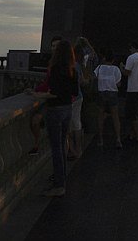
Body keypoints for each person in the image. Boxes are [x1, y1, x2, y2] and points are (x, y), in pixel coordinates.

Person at [41, 39, 79, 197]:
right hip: (67, 110)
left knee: (56, 148)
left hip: (55, 110)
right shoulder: (73, 70)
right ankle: (61, 180)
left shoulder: (56, 68)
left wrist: (36, 94)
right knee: (62, 146)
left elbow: (53, 93)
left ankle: (59, 185)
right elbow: (75, 92)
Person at [120, 42, 138, 143]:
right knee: (136, 114)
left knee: (131, 114)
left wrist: (122, 67)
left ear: (133, 48)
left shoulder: (131, 58)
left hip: (132, 89)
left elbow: (127, 73)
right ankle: (132, 135)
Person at [94, 49, 122, 148]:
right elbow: (118, 84)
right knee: (115, 116)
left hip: (101, 92)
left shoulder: (99, 67)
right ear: (113, 60)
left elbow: (95, 77)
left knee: (100, 116)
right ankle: (118, 139)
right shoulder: (116, 69)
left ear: (104, 58)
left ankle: (100, 139)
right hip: (113, 93)